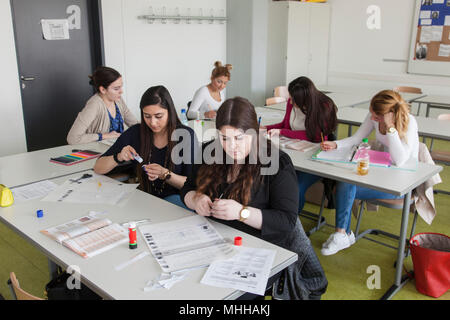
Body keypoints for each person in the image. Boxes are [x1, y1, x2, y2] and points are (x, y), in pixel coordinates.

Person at [180, 97, 328, 299]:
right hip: (215, 243)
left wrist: (241, 212)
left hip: (260, 251)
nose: (231, 147)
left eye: (239, 138)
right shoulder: (209, 151)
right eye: (224, 138)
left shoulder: (277, 163)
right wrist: (194, 199)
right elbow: (188, 187)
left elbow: (286, 221)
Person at [319, 90, 419, 256]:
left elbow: (399, 160)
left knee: (345, 188)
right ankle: (342, 233)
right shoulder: (374, 116)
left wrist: (391, 128)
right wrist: (335, 144)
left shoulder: (409, 123)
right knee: (345, 182)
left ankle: (344, 234)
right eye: (371, 114)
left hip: (402, 183)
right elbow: (356, 139)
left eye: (377, 117)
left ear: (391, 114)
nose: (373, 119)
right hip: (383, 173)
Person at [94, 85, 198, 209]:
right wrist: (119, 157)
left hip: (176, 200)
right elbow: (98, 168)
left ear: (169, 112)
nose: (152, 123)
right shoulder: (135, 132)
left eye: (158, 116)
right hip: (144, 198)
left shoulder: (185, 136)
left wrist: (165, 174)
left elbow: (193, 185)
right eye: (147, 116)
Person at [264, 76, 338, 217]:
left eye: (295, 99)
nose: (291, 101)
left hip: (314, 157)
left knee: (295, 187)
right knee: (271, 178)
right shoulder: (292, 102)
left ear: (306, 99)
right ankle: (274, 215)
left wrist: (282, 132)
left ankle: (289, 220)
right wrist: (266, 128)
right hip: (292, 151)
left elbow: (315, 136)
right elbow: (285, 125)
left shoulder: (324, 106)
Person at [67, 66, 139, 145]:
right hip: (98, 153)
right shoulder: (94, 105)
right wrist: (103, 136)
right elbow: (72, 138)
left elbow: (135, 124)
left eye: (121, 87)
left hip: (118, 149)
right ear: (103, 90)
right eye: (116, 88)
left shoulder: (118, 100)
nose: (121, 91)